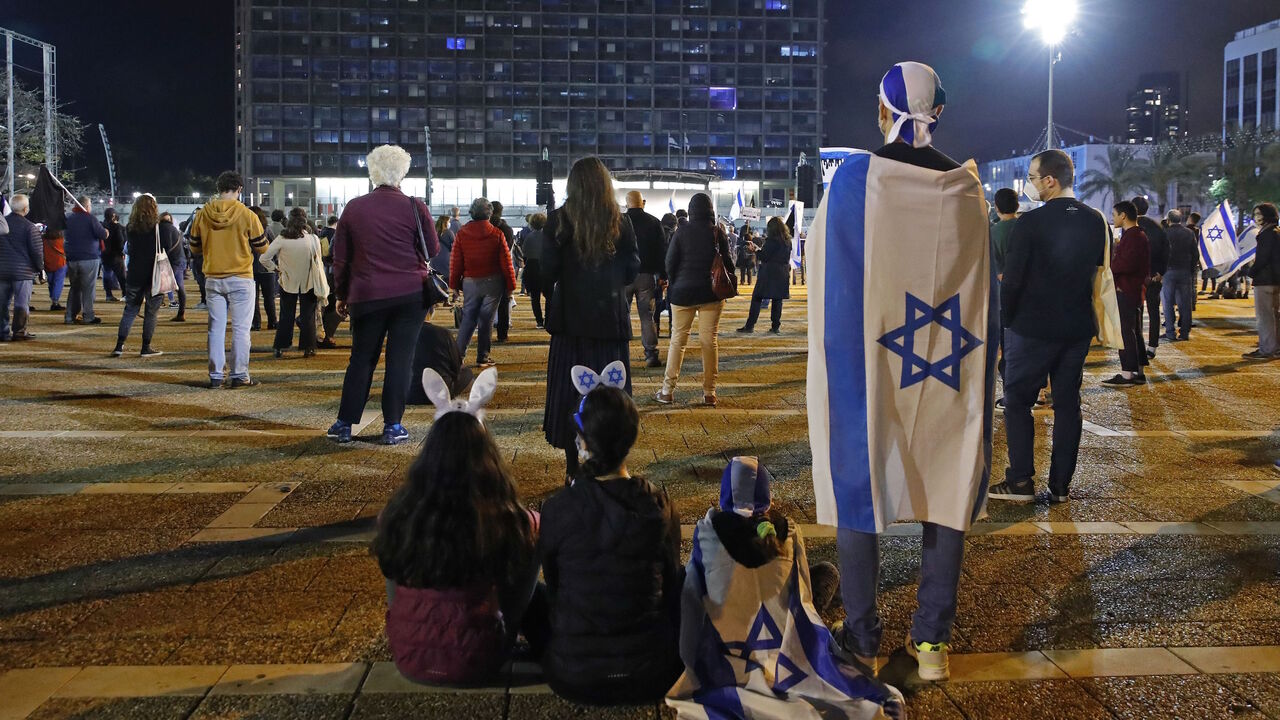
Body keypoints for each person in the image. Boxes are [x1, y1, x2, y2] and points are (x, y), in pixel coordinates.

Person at [817, 61, 994, 684]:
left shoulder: (857, 179)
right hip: (950, 365)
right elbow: (979, 290)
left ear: (884, 109)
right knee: (945, 489)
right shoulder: (967, 188)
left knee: (861, 485)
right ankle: (931, 645)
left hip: (872, 364)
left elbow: (828, 276)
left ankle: (862, 641)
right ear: (937, 111)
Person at [667, 456, 904, 719]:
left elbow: (691, 598)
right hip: (783, 649)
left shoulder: (707, 532)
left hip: (729, 647)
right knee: (827, 572)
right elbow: (804, 600)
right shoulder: (788, 531)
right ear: (767, 498)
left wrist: (691, 661)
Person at [372, 369, 540, 686]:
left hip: (410, 657)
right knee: (538, 581)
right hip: (483, 658)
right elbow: (518, 598)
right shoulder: (512, 521)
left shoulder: (397, 516)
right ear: (487, 456)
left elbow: (394, 594)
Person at [538, 364, 682, 705]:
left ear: (583, 443)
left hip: (573, 676)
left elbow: (556, 583)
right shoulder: (659, 506)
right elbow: (673, 582)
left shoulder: (558, 508)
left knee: (535, 595)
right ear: (630, 439)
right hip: (653, 674)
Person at [992, 147, 1106, 508]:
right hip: (1076, 328)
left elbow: (1011, 281)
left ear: (1050, 181)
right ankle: (1060, 486)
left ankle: (1021, 480)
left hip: (1031, 327)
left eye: (1032, 177)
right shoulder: (1096, 220)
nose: (1030, 184)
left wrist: (1007, 321)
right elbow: (1100, 276)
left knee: (1017, 402)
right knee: (1068, 405)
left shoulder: (1031, 223)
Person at [328, 145, 439, 445]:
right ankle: (392, 426)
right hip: (410, 294)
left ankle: (344, 424)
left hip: (366, 293)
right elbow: (434, 248)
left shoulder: (354, 207)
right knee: (400, 359)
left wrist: (342, 294)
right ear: (402, 172)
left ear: (372, 172)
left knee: (362, 358)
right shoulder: (416, 207)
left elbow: (341, 258)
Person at [541, 157, 639, 477]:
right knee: (611, 395)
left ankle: (572, 469)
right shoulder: (620, 222)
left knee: (570, 395)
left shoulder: (558, 220)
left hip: (571, 324)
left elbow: (547, 270)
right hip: (610, 321)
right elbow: (631, 271)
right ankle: (611, 464)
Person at [188, 170, 268, 389]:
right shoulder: (247, 215)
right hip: (241, 276)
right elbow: (262, 246)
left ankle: (215, 375)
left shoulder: (203, 213)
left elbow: (194, 247)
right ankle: (239, 374)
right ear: (239, 189)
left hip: (213, 277)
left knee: (216, 328)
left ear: (219, 189)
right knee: (241, 329)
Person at [656, 192, 733, 407]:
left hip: (682, 293)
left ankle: (667, 390)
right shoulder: (717, 232)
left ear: (691, 210)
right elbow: (728, 263)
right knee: (709, 341)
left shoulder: (681, 232)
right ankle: (709, 392)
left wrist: (674, 280)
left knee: (678, 341)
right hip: (711, 293)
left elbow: (670, 262)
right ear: (710, 210)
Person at [111, 194, 180, 358]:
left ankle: (119, 346)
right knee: (151, 313)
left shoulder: (130, 228)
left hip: (134, 273)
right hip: (153, 275)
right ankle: (145, 347)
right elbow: (169, 246)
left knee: (130, 311)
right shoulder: (159, 228)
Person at [450, 198, 515, 366]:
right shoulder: (497, 234)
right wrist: (511, 286)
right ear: (490, 213)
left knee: (468, 318)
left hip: (470, 282)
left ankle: (458, 357)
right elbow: (507, 263)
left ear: (472, 212)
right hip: (493, 282)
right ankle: (483, 357)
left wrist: (454, 286)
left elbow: (456, 261)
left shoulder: (462, 233)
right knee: (486, 319)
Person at [260, 207, 328, 359]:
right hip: (309, 281)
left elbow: (264, 258)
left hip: (288, 281)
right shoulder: (313, 239)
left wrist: (276, 268)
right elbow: (319, 261)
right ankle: (308, 347)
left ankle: (280, 346)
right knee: (308, 316)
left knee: (286, 315)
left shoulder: (282, 239)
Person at [1102, 201, 1151, 386]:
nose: (1113, 218)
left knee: (1125, 332)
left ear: (1123, 215)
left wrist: (1110, 268)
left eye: (1114, 214)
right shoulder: (1136, 235)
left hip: (1127, 289)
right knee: (1134, 331)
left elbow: (1127, 263)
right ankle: (1138, 370)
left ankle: (1127, 374)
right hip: (1134, 290)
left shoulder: (1133, 237)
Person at [622, 191, 665, 367]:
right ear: (643, 203)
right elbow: (662, 251)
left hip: (623, 276)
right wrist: (662, 275)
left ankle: (621, 354)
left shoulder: (619, 221)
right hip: (646, 275)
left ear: (626, 204)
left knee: (621, 314)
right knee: (647, 316)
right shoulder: (654, 222)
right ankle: (651, 355)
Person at [407, 303, 473, 405]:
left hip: (407, 393)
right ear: (430, 312)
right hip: (440, 392)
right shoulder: (442, 333)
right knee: (467, 373)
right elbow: (456, 366)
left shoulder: (400, 334)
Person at [737, 216, 792, 334]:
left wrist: (755, 250)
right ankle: (775, 326)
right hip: (783, 272)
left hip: (769, 272)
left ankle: (750, 325)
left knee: (757, 297)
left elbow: (764, 256)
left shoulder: (772, 241)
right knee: (777, 300)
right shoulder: (788, 241)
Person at [63, 196, 107, 325]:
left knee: (75, 288)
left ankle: (69, 316)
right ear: (86, 206)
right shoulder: (90, 219)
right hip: (88, 257)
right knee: (88, 288)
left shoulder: (68, 219)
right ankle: (88, 315)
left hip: (72, 257)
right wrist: (106, 232)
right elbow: (102, 234)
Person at [1245, 203, 1280, 360]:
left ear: (1267, 215)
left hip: (1265, 281)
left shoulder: (1266, 234)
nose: (1257, 217)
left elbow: (1262, 259)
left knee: (1265, 317)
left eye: (1259, 214)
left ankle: (1267, 349)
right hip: (1275, 281)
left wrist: (1251, 272)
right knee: (1274, 316)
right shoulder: (1277, 232)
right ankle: (1275, 347)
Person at [0, 197, 38, 341]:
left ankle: (2, 331)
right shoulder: (29, 227)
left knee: (2, 303)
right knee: (21, 303)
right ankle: (19, 331)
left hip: (2, 269)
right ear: (25, 208)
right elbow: (36, 251)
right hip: (23, 271)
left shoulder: (2, 223)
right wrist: (39, 268)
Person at [1133, 196, 1167, 358]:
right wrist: (1161, 272)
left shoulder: (1133, 227)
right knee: (1154, 312)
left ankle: (1137, 345)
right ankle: (1152, 346)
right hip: (1155, 276)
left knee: (1136, 312)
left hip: (1138, 277)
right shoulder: (1157, 226)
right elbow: (1167, 249)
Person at [1161, 210, 1197, 342]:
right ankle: (1184, 332)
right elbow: (1195, 254)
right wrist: (1191, 270)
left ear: (1168, 220)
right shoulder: (1189, 233)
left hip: (1168, 271)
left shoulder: (1165, 233)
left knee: (1168, 303)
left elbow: (1161, 252)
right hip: (1185, 271)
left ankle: (1170, 331)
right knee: (1185, 304)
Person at [247, 206, 279, 332]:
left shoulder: (246, 230)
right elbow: (275, 247)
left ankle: (256, 323)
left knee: (253, 298)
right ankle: (272, 321)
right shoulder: (267, 230)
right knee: (269, 298)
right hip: (267, 269)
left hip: (251, 268)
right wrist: (274, 263)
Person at [490, 201, 516, 342]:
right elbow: (508, 251)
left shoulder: (485, 228)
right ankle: (502, 334)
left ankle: (484, 333)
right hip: (501, 270)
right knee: (503, 303)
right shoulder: (507, 229)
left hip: (485, 270)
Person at [521, 212, 547, 329]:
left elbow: (524, 253)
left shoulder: (529, 237)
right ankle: (549, 319)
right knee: (549, 296)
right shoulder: (548, 237)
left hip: (531, 267)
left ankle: (539, 321)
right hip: (545, 267)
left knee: (535, 298)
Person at [160, 212, 188, 321]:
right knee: (179, 288)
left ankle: (153, 312)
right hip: (180, 260)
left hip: (171, 261)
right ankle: (181, 313)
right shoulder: (175, 229)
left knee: (163, 286)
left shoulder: (161, 229)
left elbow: (166, 245)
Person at [181, 208, 208, 310]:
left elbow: (191, 240)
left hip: (200, 256)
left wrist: (192, 256)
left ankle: (205, 301)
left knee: (202, 279)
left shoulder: (196, 226)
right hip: (209, 257)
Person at [101, 208, 127, 303]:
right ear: (114, 216)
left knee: (106, 275)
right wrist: (122, 252)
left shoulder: (102, 226)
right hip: (116, 255)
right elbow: (120, 241)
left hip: (104, 254)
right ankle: (125, 294)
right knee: (121, 276)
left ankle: (108, 295)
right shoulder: (117, 227)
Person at [43, 228, 66, 311]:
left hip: (47, 262)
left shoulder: (43, 239)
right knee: (58, 282)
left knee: (51, 282)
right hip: (60, 262)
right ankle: (55, 301)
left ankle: (53, 298)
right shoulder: (61, 239)